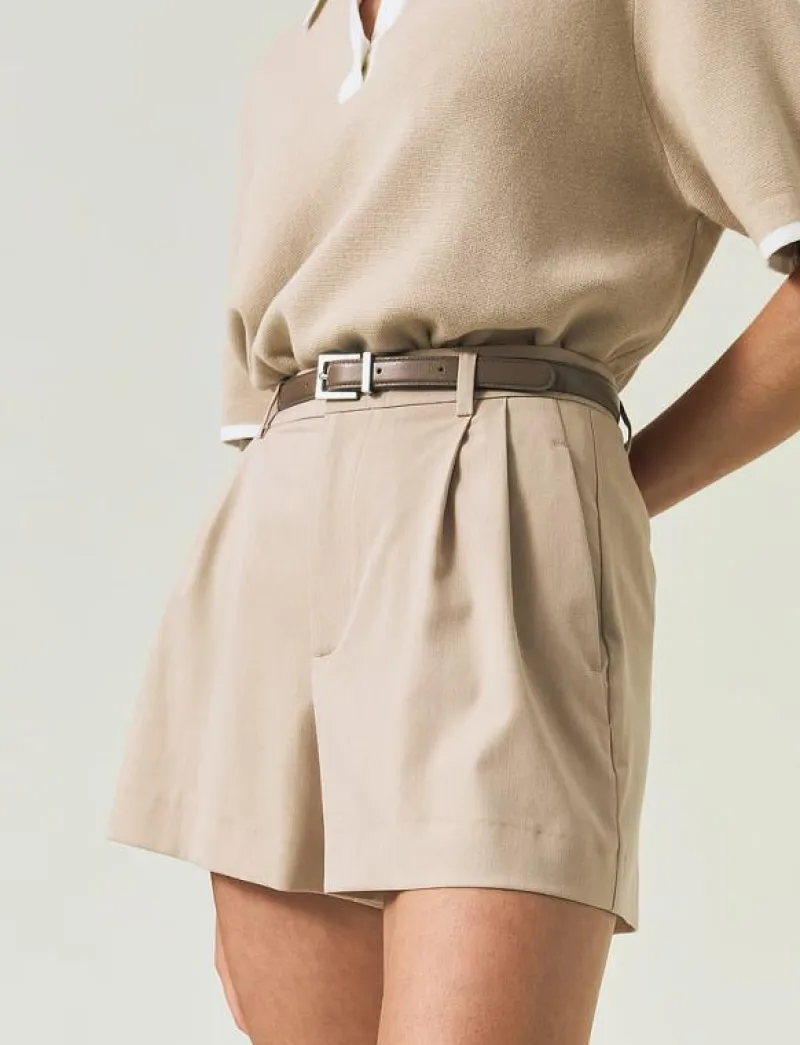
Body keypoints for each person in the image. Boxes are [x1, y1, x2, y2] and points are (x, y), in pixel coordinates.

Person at [106, 0, 800, 1042]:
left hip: (500, 508)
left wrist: (617, 485)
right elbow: (253, 392)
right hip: (276, 527)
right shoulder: (300, 50)